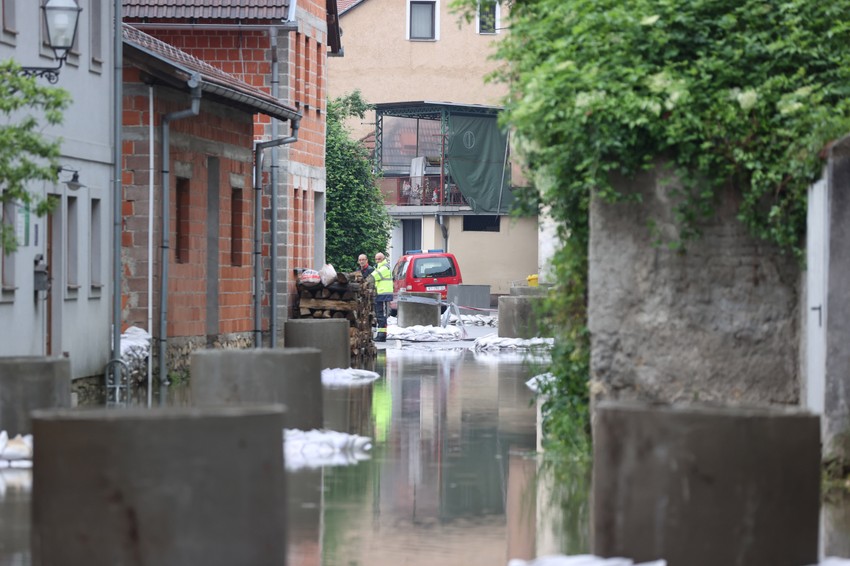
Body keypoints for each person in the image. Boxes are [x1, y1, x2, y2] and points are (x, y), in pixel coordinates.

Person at [372, 252, 393, 342]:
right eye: (376, 259)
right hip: (380, 294)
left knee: (382, 316)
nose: (377, 260)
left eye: (379, 259)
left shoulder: (385, 267)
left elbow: (374, 276)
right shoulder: (379, 267)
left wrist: (365, 280)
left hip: (384, 294)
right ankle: (381, 334)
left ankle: (382, 335)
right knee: (379, 315)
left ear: (383, 258)